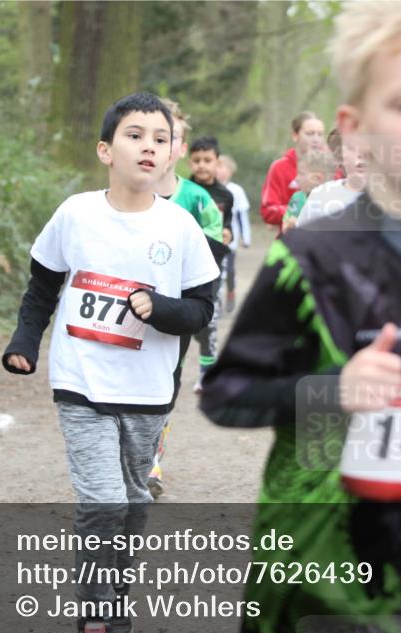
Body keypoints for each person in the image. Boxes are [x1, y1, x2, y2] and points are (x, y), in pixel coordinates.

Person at [200, 2, 401, 633]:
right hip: (311, 580)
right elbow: (224, 393)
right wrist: (332, 389)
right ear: (356, 127)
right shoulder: (308, 258)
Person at [2, 92, 220, 633]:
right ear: (105, 149)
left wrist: (159, 308)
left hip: (148, 392)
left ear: (172, 153)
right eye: (134, 134)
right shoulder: (75, 214)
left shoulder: (180, 227)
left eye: (159, 137)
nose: (148, 145)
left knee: (132, 501)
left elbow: (202, 310)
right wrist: (25, 342)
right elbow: (42, 289)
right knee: (101, 501)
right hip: (82, 383)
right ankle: (92, 628)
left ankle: (114, 588)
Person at [147, 100, 230, 497]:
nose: (160, 144)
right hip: (123, 310)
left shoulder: (198, 200)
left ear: (179, 147)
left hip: (177, 310)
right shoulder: (120, 196)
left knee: (165, 382)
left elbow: (215, 252)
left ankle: (150, 460)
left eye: (171, 136)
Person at [188, 135, 234, 391]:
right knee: (185, 321)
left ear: (217, 162)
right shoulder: (182, 189)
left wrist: (229, 235)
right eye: (196, 161)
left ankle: (207, 370)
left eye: (207, 160)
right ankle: (175, 366)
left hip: (214, 264)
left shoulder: (225, 195)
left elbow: (226, 227)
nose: (202, 165)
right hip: (186, 263)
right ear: (189, 162)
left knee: (209, 319)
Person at [260, 111, 326, 232]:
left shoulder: (332, 168)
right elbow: (268, 210)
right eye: (310, 134)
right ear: (295, 135)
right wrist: (295, 211)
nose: (316, 139)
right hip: (290, 241)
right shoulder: (279, 167)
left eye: (320, 134)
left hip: (325, 243)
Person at [295, 127, 368, 227]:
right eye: (352, 147)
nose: (362, 154)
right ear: (339, 157)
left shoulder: (393, 197)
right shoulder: (321, 194)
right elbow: (300, 238)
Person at [217, 154, 251, 313]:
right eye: (219, 166)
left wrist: (246, 238)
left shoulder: (236, 191)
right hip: (214, 239)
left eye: (225, 168)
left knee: (229, 271)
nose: (221, 171)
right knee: (215, 272)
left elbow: (242, 216)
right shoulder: (209, 189)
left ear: (231, 171)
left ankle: (230, 292)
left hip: (231, 240)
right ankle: (217, 300)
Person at [280, 148, 333, 233]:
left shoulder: (333, 201)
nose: (296, 179)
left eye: (301, 174)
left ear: (317, 178)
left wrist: (299, 224)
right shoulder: (297, 198)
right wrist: (289, 225)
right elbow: (285, 228)